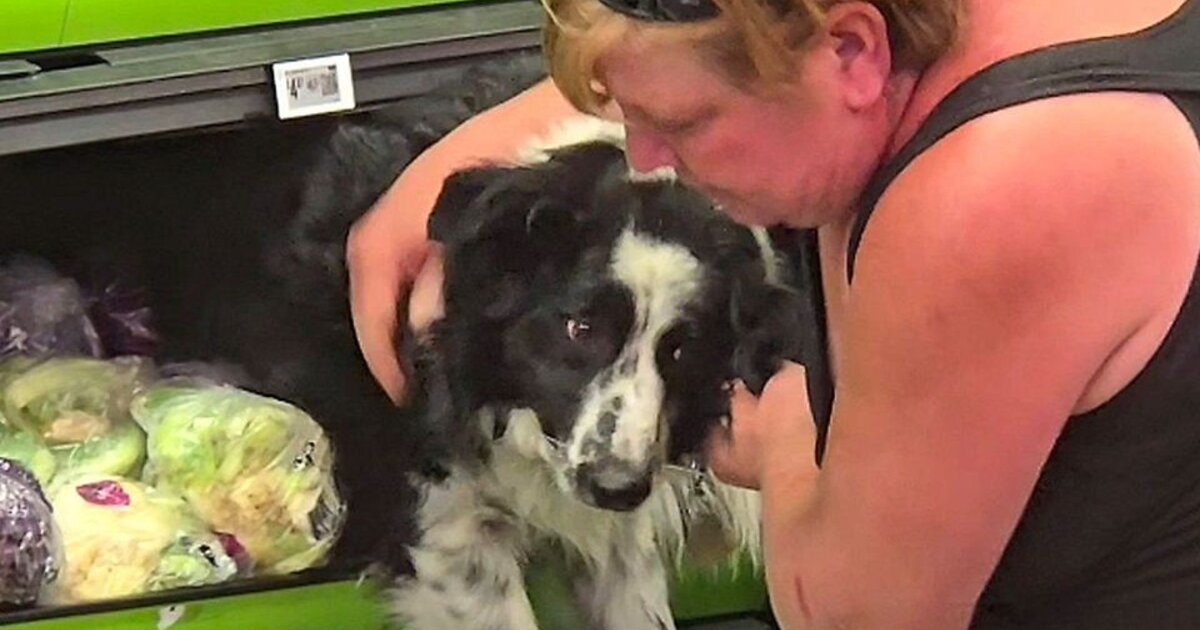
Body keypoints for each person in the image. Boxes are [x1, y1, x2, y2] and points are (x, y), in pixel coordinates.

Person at [346, 0, 1200, 627]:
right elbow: (721, 47)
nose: (647, 158)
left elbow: (854, 617)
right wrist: (459, 169)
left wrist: (785, 439)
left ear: (852, 51)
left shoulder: (992, 195)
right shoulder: (972, 29)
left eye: (682, 123)